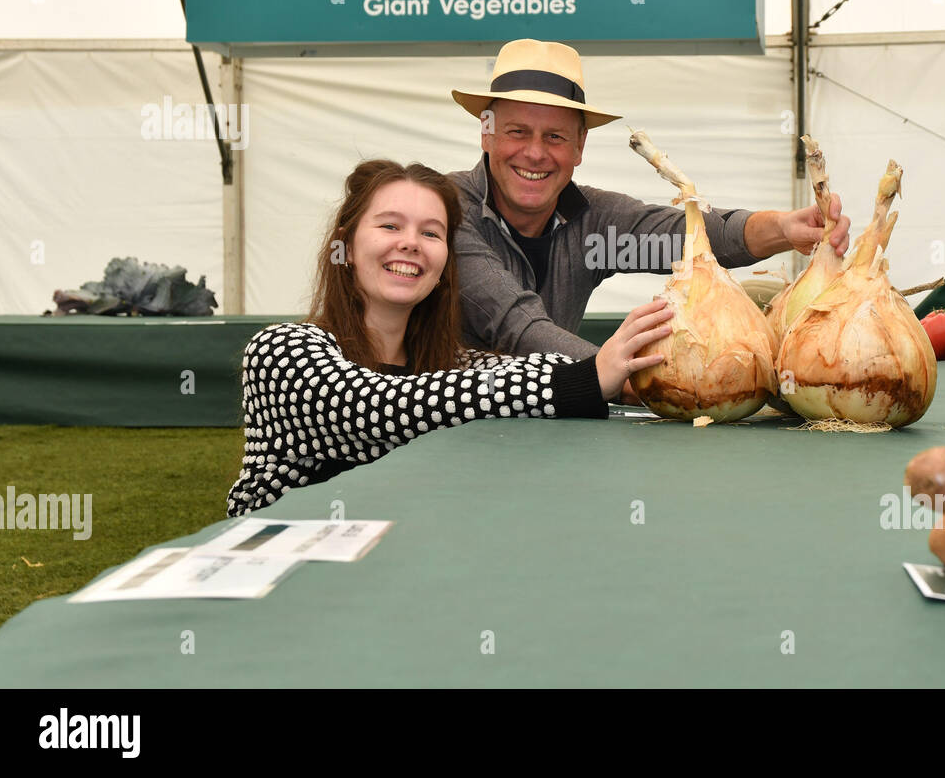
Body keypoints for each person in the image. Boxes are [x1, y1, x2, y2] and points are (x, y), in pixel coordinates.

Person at [225, 159, 673, 516]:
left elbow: (513, 375)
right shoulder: (280, 352)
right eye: (389, 226)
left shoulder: (454, 364)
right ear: (344, 245)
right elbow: (377, 408)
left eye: (431, 233)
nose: (411, 243)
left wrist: (632, 371)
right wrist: (587, 378)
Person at [448, 39, 852, 369]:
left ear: (579, 146)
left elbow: (695, 237)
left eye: (555, 137)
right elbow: (516, 325)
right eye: (518, 132)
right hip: (453, 436)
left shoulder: (596, 230)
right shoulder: (447, 210)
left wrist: (782, 228)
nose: (535, 154)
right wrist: (621, 375)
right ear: (487, 133)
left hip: (554, 431)